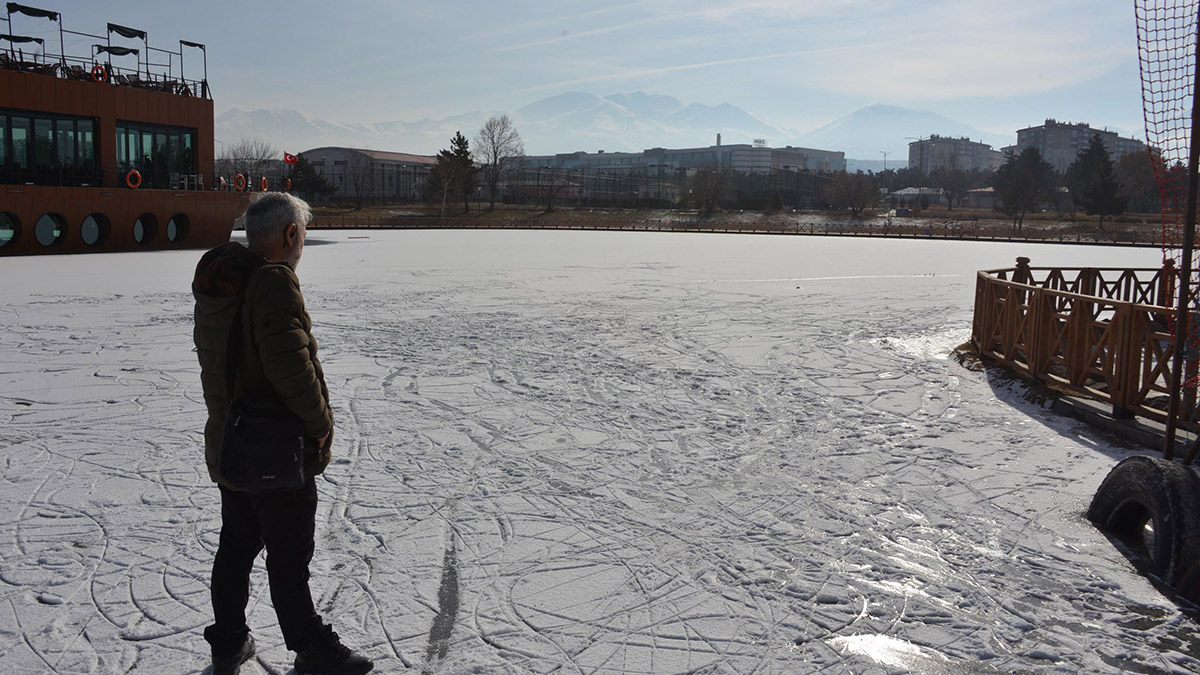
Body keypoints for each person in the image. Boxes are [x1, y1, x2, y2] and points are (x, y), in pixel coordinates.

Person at [192, 192, 373, 675]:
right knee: (288, 554)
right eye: (303, 236)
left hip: (232, 444)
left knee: (236, 546)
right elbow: (291, 368)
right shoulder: (271, 284)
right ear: (290, 234)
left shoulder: (225, 282)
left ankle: (229, 642)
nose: (302, 246)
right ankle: (311, 649)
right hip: (274, 451)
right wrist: (320, 427)